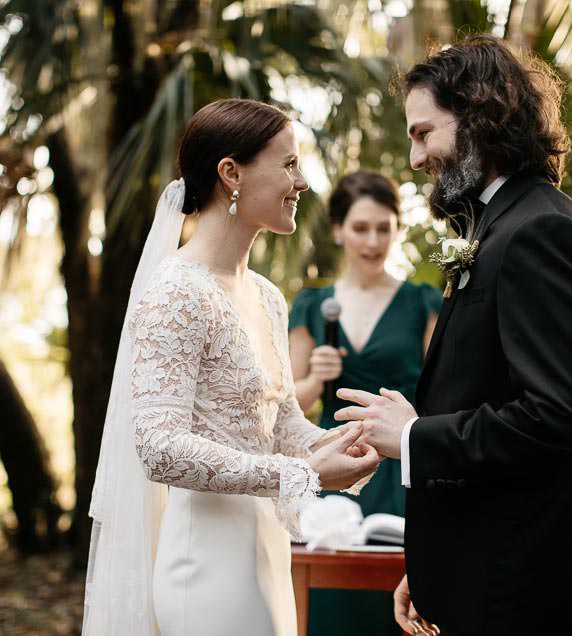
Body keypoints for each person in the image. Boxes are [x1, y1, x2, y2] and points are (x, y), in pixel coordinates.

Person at [336, 35, 572, 636]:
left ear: (480, 119)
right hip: (482, 574)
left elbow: (561, 416)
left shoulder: (541, 231)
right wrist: (434, 562)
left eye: (422, 133)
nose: (414, 159)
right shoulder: (502, 223)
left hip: (522, 597)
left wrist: (414, 437)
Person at [81, 99, 382, 635]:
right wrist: (305, 474)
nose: (303, 182)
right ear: (230, 172)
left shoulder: (266, 297)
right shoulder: (175, 292)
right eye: (289, 165)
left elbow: (281, 425)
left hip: (267, 550)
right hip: (206, 564)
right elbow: (158, 445)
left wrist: (352, 440)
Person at [286, 171, 440, 634]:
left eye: (383, 228)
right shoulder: (311, 306)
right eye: (360, 228)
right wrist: (316, 376)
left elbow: (441, 398)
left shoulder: (423, 301)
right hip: (336, 465)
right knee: (332, 607)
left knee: (401, 603)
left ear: (398, 229)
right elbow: (289, 405)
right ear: (338, 230)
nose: (372, 241)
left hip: (405, 470)